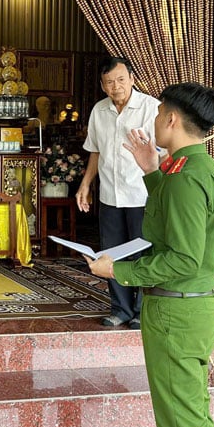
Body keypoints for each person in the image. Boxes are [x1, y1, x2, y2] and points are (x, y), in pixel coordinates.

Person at [84, 83, 214, 427]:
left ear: (170, 119)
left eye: (159, 110)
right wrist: (152, 170)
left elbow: (181, 257)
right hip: (189, 307)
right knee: (188, 421)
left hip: (178, 311)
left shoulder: (186, 176)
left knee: (184, 426)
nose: (153, 118)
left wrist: (119, 272)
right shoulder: (192, 168)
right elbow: (178, 226)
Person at [76, 57, 160, 329]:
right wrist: (86, 184)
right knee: (111, 253)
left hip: (142, 195)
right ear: (102, 86)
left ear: (133, 79)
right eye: (110, 82)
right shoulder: (99, 111)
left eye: (121, 80)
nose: (116, 86)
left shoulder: (150, 108)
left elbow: (164, 152)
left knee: (141, 254)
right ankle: (120, 309)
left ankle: (141, 310)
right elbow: (95, 151)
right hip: (110, 195)